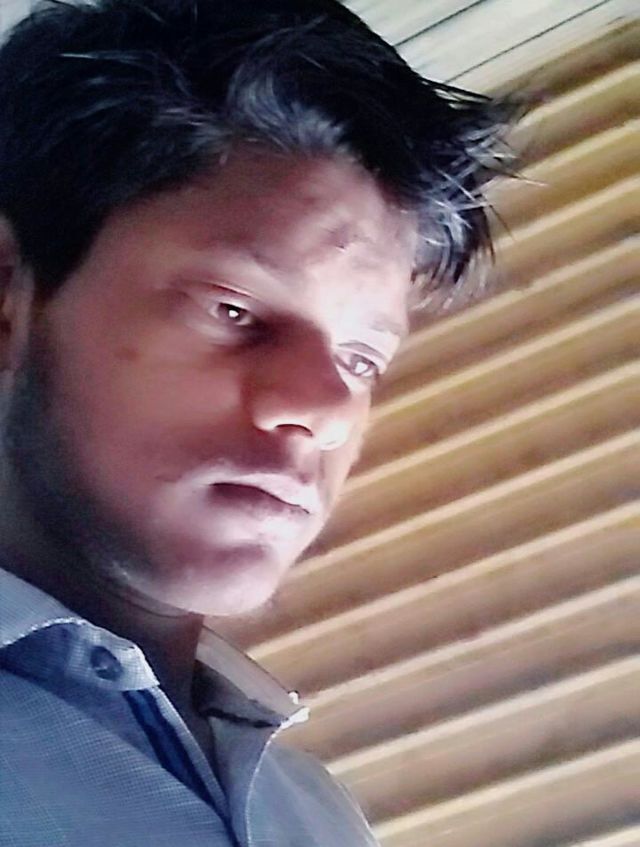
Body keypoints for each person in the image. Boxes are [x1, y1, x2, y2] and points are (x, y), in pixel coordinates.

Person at [0, 1, 514, 845]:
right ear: (8, 297)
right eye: (236, 311)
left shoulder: (313, 809)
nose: (322, 411)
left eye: (361, 359)